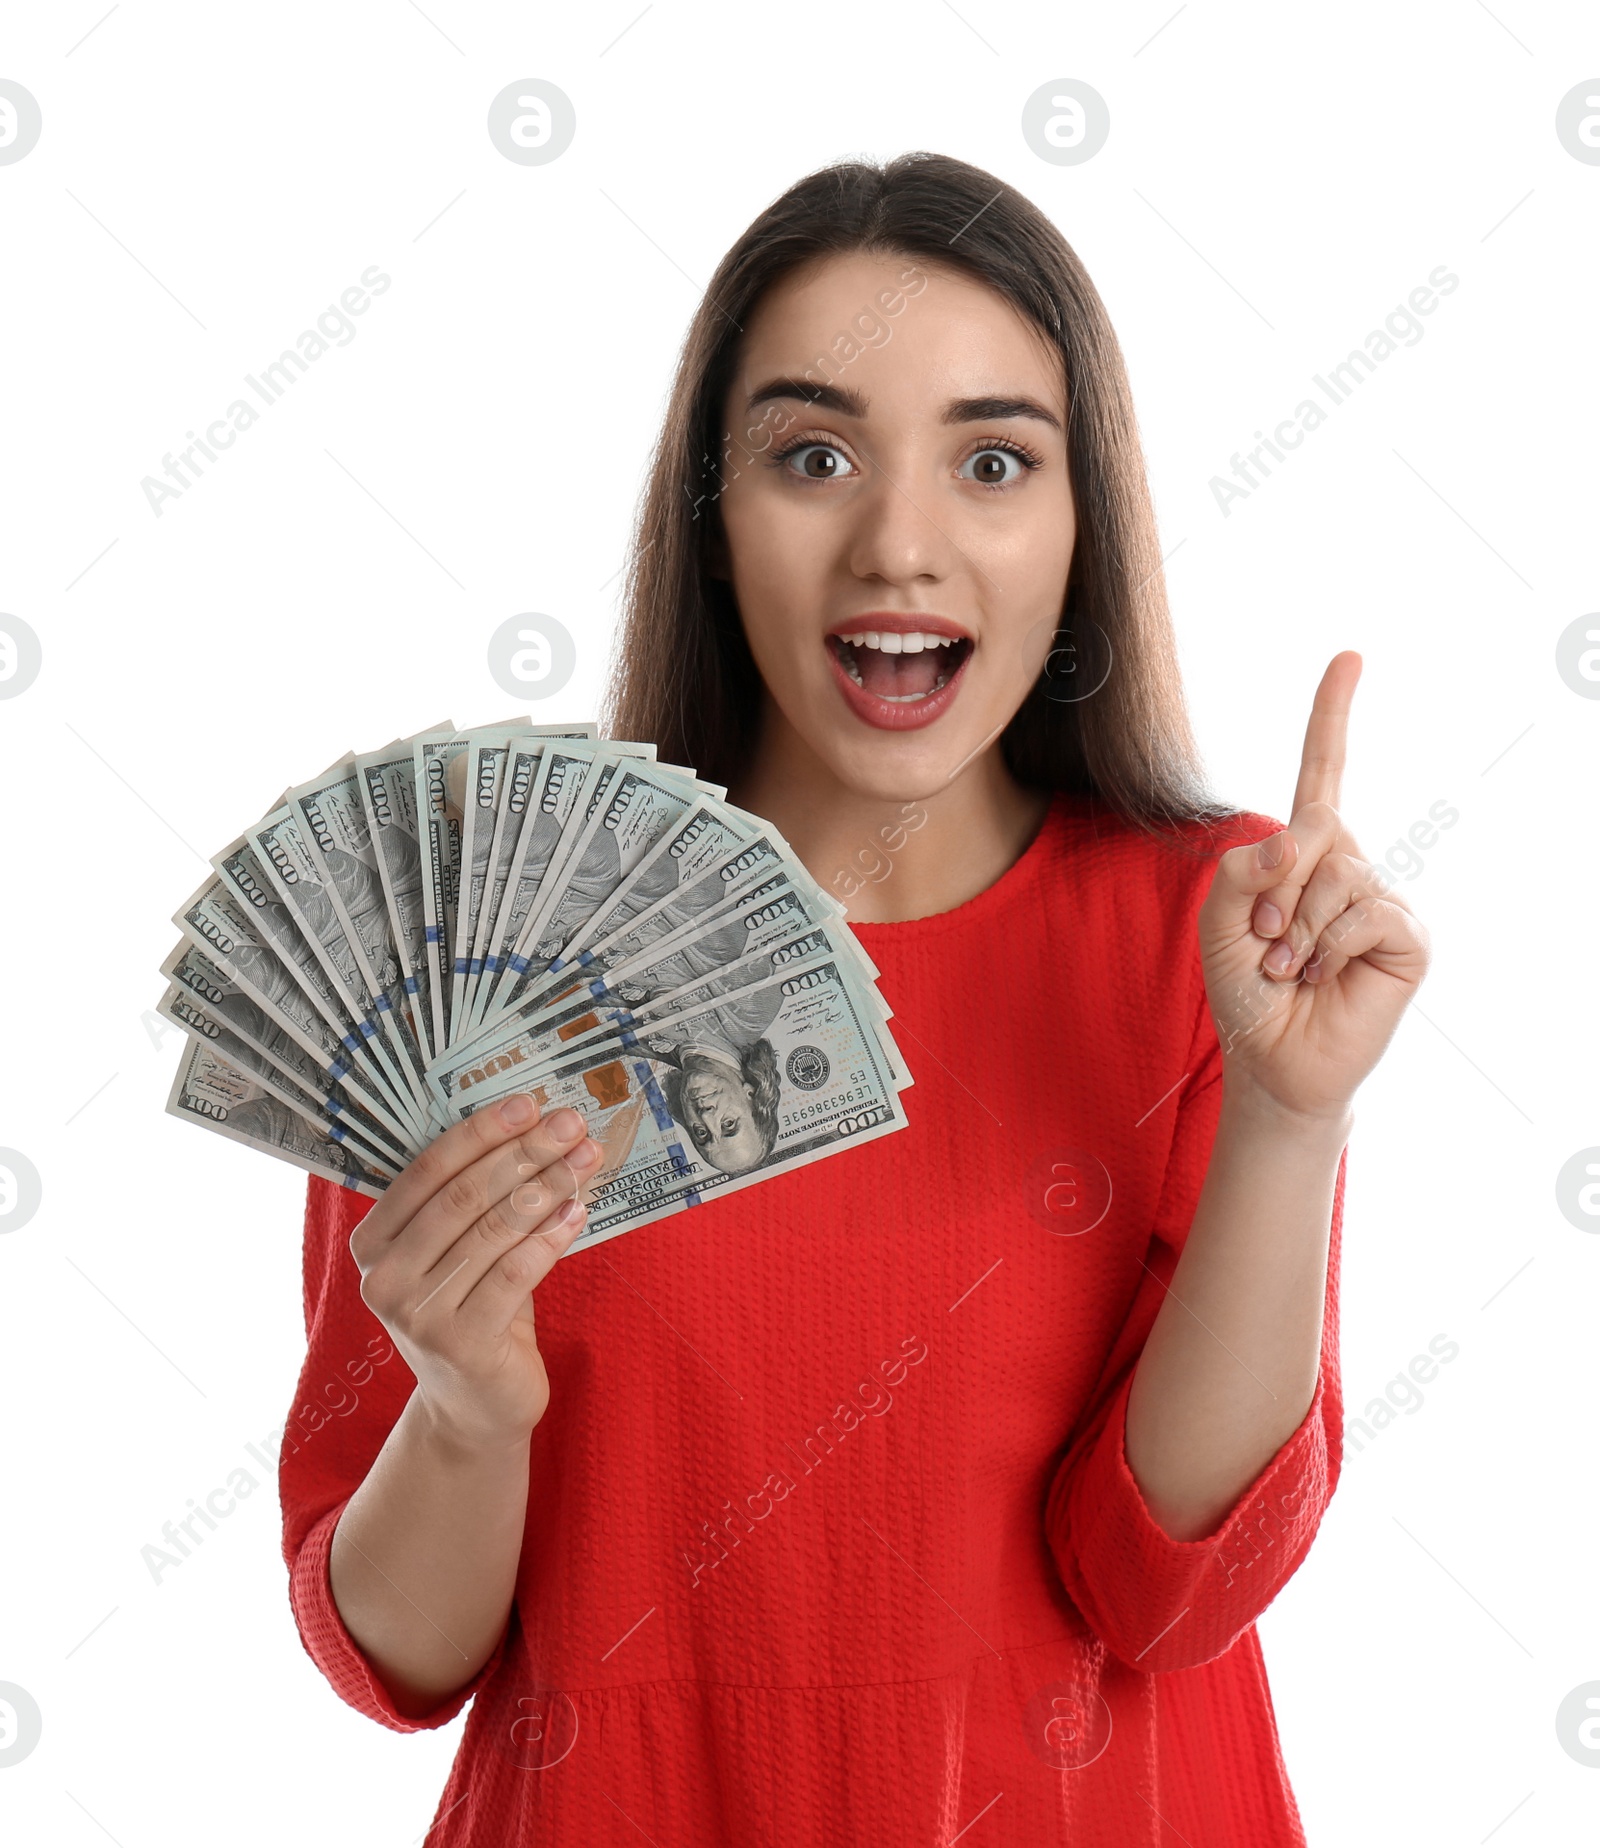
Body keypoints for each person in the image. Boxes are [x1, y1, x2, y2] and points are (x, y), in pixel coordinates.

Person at [277, 152, 1427, 1844]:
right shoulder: (482, 949)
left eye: (992, 462)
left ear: (1081, 522)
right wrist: (468, 1407)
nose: (902, 542)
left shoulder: (1220, 928)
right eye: (813, 456)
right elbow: (398, 1655)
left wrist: (1288, 1117)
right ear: (710, 513)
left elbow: (1164, 1594)